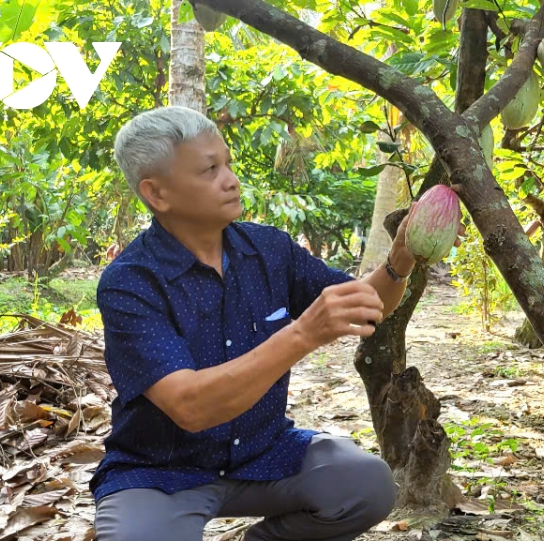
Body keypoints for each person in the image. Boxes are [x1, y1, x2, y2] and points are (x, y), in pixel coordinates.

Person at [92, 106, 458, 541]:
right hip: (162, 470)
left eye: (227, 163)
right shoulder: (131, 282)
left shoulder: (269, 250)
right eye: (210, 170)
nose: (230, 179)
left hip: (264, 453)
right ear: (158, 194)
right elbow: (190, 406)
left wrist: (398, 265)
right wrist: (303, 333)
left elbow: (364, 303)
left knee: (368, 486)